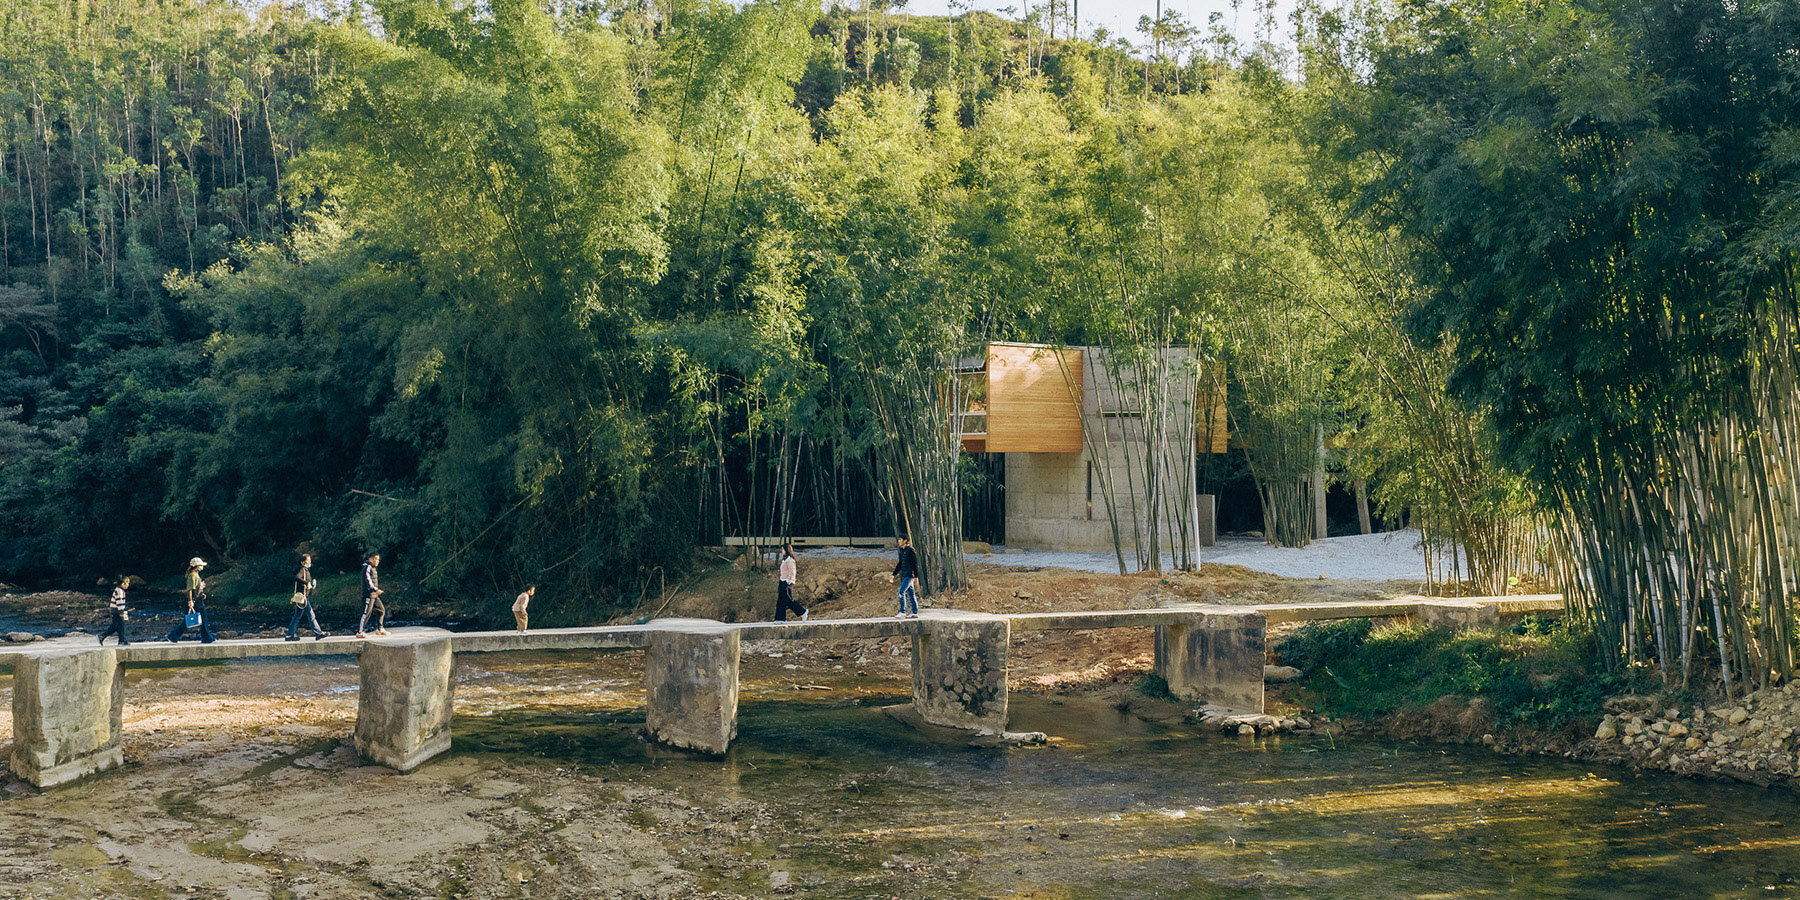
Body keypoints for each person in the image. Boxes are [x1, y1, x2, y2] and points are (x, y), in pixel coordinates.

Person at [166, 557, 217, 644]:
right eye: (201, 565)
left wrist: (202, 593)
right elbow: (190, 589)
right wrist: (190, 601)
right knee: (201, 617)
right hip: (195, 600)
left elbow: (196, 588)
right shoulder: (192, 575)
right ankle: (206, 637)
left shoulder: (195, 575)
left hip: (198, 599)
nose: (202, 567)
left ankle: (173, 636)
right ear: (197, 566)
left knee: (191, 619)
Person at [286, 553, 328, 641]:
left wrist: (311, 584)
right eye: (307, 561)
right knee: (311, 615)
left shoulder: (306, 571)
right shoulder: (302, 570)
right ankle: (318, 633)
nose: (309, 562)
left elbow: (305, 582)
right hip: (302, 597)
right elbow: (297, 578)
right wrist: (306, 583)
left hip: (303, 597)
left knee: (297, 617)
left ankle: (289, 635)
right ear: (302, 562)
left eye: (309, 561)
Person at [886, 536, 921, 618]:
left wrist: (916, 576)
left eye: (900, 540)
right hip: (904, 575)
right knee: (911, 594)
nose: (899, 541)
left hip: (909, 575)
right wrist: (893, 574)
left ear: (905, 541)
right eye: (898, 540)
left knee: (900, 592)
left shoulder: (910, 550)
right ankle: (915, 612)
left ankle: (902, 611)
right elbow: (900, 564)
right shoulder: (902, 550)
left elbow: (915, 563)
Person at [355, 553, 387, 638]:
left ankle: (380, 629)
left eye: (378, 560)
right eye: (376, 559)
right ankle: (360, 632)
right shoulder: (367, 567)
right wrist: (375, 589)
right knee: (366, 613)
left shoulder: (373, 568)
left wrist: (375, 591)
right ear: (371, 559)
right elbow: (368, 580)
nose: (377, 561)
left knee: (381, 610)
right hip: (368, 595)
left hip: (374, 595)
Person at [774, 545, 808, 621]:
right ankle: (780, 619)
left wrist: (789, 582)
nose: (782, 551)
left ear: (786, 550)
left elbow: (792, 572)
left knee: (788, 600)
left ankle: (802, 612)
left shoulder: (790, 560)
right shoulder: (785, 560)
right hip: (782, 581)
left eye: (783, 549)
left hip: (786, 583)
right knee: (780, 601)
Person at [99, 576, 132, 646]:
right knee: (121, 625)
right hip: (117, 611)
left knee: (116, 626)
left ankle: (103, 636)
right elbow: (119, 602)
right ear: (122, 583)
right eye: (127, 583)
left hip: (115, 610)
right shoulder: (120, 591)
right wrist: (121, 612)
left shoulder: (119, 590)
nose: (128, 585)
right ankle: (121, 640)